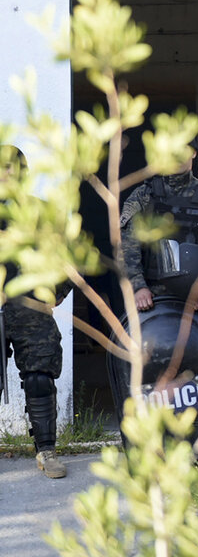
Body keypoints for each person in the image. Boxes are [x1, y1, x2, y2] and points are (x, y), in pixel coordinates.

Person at [1, 145, 70, 478]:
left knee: (40, 379)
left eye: (12, 169)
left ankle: (46, 452)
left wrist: (53, 297)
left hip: (31, 310)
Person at [120, 139, 198, 315]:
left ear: (193, 153)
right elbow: (127, 245)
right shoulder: (143, 196)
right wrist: (138, 288)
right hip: (151, 298)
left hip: (197, 300)